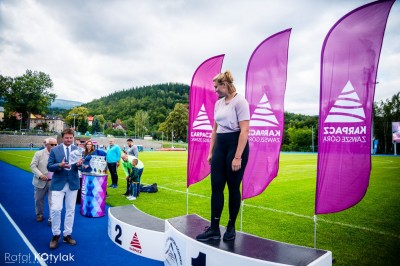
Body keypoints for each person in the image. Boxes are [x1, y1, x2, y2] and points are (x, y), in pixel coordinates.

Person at [196, 71, 250, 242]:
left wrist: (238, 157)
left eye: (217, 86)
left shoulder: (240, 101)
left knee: (233, 188)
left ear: (225, 85)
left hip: (236, 146)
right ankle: (214, 229)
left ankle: (231, 227)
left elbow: (245, 131)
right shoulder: (218, 104)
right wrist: (212, 151)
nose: (215, 90)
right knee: (216, 188)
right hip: (220, 146)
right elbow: (214, 130)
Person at [47, 128, 83, 250]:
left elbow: (81, 166)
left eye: (70, 137)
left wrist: (80, 165)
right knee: (56, 209)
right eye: (66, 137)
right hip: (58, 184)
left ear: (73, 138)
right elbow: (49, 166)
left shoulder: (77, 150)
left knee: (70, 210)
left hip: (72, 183)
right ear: (62, 138)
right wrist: (60, 165)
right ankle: (56, 234)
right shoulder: (55, 150)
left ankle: (67, 234)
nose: (68, 139)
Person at [30, 137, 57, 225]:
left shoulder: (58, 154)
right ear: (46, 145)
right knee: (38, 199)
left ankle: (51, 219)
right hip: (40, 181)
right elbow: (33, 166)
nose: (54, 146)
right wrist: (40, 175)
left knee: (52, 201)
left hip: (52, 182)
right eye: (52, 144)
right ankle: (39, 214)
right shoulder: (39, 153)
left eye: (55, 144)